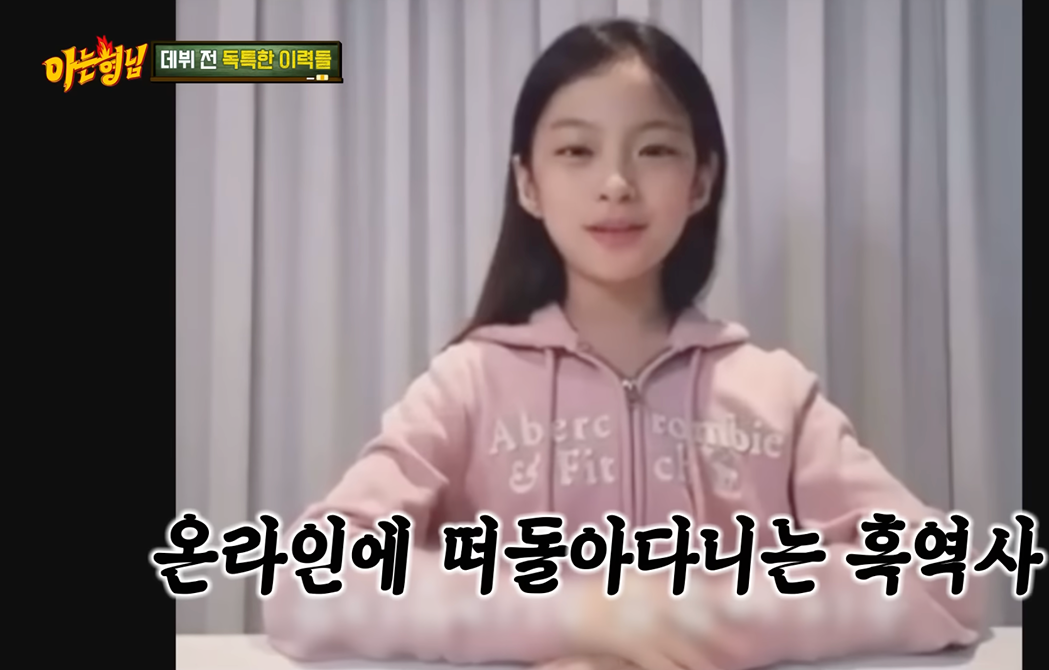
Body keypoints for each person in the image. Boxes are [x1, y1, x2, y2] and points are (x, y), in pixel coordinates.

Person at [263, 17, 985, 670]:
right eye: (576, 150)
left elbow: (947, 577)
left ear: (701, 181)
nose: (616, 183)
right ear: (528, 183)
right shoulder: (467, 385)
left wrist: (695, 618)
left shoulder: (775, 393)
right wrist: (574, 615)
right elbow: (306, 581)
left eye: (656, 150)